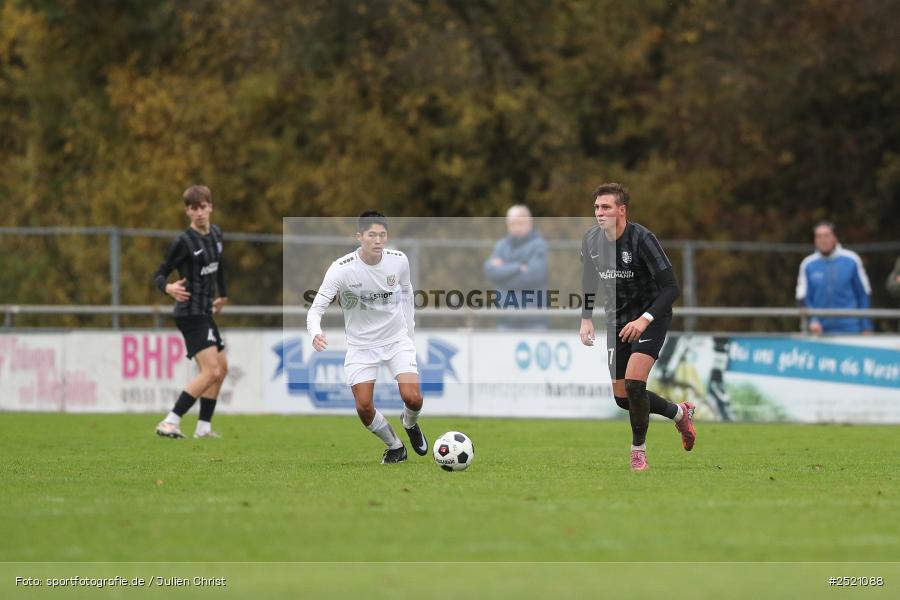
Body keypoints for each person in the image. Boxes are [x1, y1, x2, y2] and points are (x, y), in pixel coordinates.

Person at [579, 183, 695, 471]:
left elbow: (671, 288)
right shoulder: (591, 240)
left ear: (622, 210)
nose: (599, 213)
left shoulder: (642, 239)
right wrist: (585, 318)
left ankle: (638, 451)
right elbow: (588, 280)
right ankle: (679, 414)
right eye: (596, 207)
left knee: (634, 384)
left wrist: (645, 319)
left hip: (651, 318)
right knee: (623, 399)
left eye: (605, 207)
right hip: (616, 320)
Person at [307, 211, 426, 464]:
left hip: (396, 340)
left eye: (382, 235)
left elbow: (407, 294)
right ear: (359, 236)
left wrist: (410, 335)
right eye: (372, 235)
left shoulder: (399, 261)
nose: (378, 240)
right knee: (363, 407)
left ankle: (409, 422)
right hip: (362, 346)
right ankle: (395, 447)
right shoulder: (341, 269)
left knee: (413, 398)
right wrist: (315, 332)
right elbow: (316, 308)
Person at [153, 185, 229, 439]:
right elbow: (159, 274)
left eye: (203, 206)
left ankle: (203, 428)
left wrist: (223, 294)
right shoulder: (183, 242)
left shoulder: (216, 234)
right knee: (212, 371)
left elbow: (219, 267)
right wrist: (168, 287)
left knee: (222, 368)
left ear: (211, 207)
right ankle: (169, 421)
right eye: (193, 208)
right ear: (187, 211)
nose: (199, 212)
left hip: (205, 311)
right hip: (189, 313)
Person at [795, 221, 873, 335]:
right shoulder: (808, 264)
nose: (823, 240)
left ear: (835, 237)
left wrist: (866, 325)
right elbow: (803, 297)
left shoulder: (852, 260)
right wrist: (813, 321)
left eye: (826, 235)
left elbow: (863, 294)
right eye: (819, 236)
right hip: (819, 330)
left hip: (850, 328)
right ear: (815, 240)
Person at [483, 205, 549, 329]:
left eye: (520, 223)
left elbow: (534, 275)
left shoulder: (539, 245)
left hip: (533, 322)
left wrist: (503, 275)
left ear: (529, 223)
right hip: (505, 321)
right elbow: (490, 271)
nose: (516, 227)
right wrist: (518, 267)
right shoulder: (501, 245)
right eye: (512, 223)